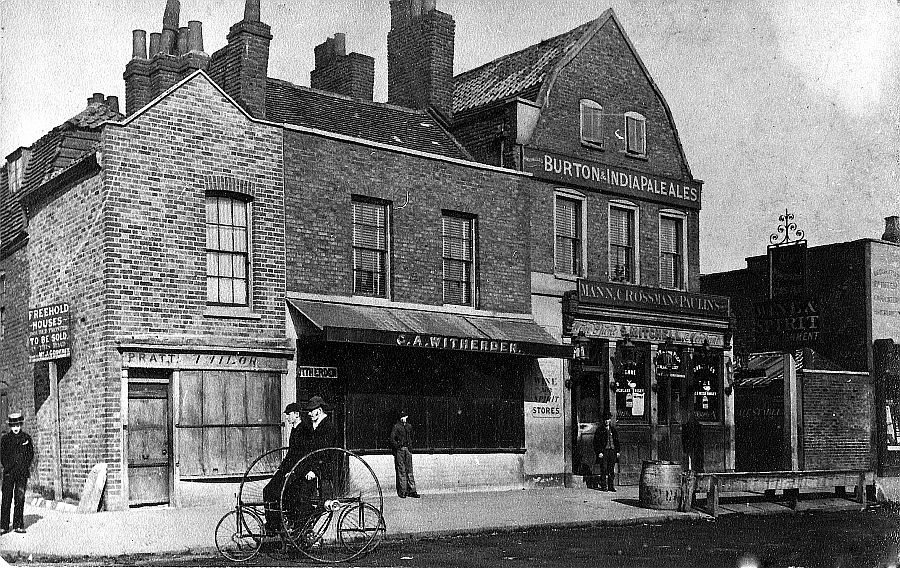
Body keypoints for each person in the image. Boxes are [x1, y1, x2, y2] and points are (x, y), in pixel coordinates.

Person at [263, 402, 310, 534]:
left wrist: (292, 471)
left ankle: (277, 524)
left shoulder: (304, 430)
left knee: (277, 493)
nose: (287, 417)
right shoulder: (295, 429)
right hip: (288, 468)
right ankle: (272, 524)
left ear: (296, 414)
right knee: (267, 490)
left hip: (297, 470)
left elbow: (303, 455)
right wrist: (281, 469)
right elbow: (291, 453)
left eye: (289, 415)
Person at [1, 412, 34, 534]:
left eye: (18, 425)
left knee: (19, 498)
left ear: (21, 425)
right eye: (13, 426)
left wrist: (24, 465)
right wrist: (8, 466)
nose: (16, 428)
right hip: (9, 473)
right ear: (10, 426)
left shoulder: (26, 438)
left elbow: (30, 454)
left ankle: (18, 525)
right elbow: (2, 456)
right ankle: (4, 525)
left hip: (21, 473)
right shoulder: (5, 439)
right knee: (6, 499)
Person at [389, 410, 420, 498]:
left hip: (408, 450)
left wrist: (410, 447)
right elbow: (392, 439)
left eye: (405, 417)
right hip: (400, 450)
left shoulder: (409, 426)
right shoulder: (396, 426)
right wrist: (398, 446)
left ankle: (412, 491)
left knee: (410, 470)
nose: (404, 419)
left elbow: (412, 437)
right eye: (403, 417)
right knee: (401, 470)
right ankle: (403, 491)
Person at [592, 411, 620, 491]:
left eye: (608, 419)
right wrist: (599, 452)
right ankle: (604, 486)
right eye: (605, 419)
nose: (606, 421)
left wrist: (617, 451)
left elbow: (616, 441)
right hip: (604, 451)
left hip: (612, 451)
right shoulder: (599, 430)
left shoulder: (613, 430)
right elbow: (595, 442)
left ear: (610, 420)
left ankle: (611, 486)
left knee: (611, 469)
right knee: (604, 469)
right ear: (603, 420)